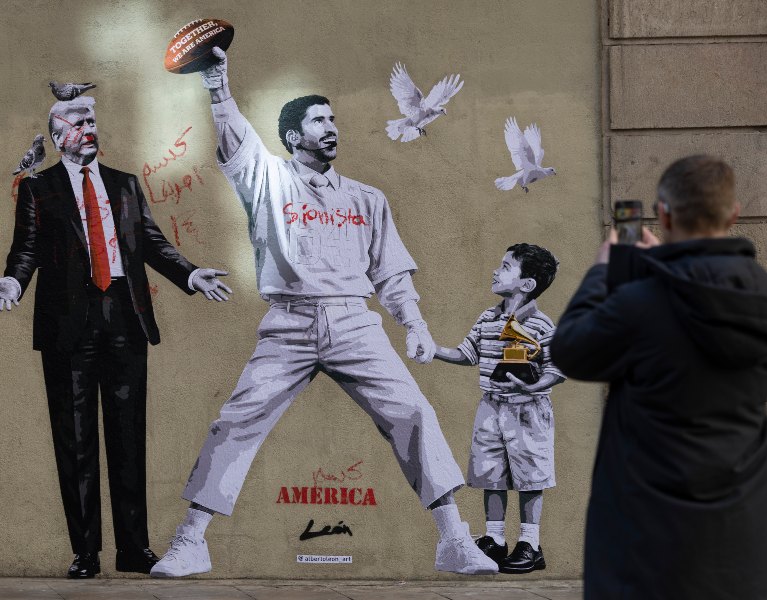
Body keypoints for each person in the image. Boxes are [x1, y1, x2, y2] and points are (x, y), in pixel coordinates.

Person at [149, 47, 497, 578]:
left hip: (355, 321)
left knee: (414, 414)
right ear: (294, 138)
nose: (331, 127)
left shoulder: (366, 198)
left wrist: (417, 327)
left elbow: (391, 273)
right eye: (319, 120)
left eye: (333, 119)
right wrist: (217, 85)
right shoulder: (266, 179)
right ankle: (191, 541)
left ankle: (454, 540)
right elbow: (236, 138)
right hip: (288, 323)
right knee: (234, 422)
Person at [0, 95, 232, 578]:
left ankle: (133, 550)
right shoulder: (38, 189)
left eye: (93, 120)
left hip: (125, 319)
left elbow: (150, 241)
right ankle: (86, 552)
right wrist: (12, 282)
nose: (89, 127)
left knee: (128, 438)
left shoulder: (124, 184)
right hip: (68, 326)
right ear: (59, 134)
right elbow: (26, 248)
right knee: (77, 440)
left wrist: (190, 275)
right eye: (79, 121)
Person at [550, 155, 767, 599]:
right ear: (734, 214)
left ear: (663, 214)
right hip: (737, 542)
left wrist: (604, 270)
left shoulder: (640, 303)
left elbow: (570, 350)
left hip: (647, 547)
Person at [433, 244, 565, 574]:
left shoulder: (541, 324)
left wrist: (532, 386)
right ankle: (494, 538)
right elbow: (466, 354)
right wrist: (431, 349)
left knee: (530, 475)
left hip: (528, 411)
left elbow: (556, 369)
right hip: (491, 407)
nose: (496, 270)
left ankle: (530, 544)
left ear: (527, 284)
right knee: (491, 472)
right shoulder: (487, 318)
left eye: (505, 267)